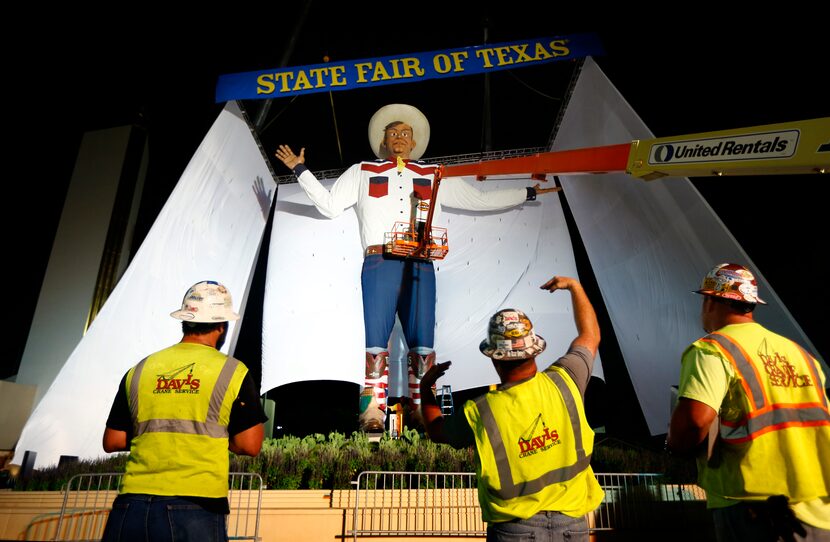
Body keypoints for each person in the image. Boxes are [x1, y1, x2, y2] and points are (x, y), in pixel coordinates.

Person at [275, 103, 560, 432]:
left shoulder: (434, 173)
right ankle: (372, 411)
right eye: (393, 133)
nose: (399, 137)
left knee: (423, 341)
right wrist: (301, 170)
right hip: (380, 260)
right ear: (383, 141)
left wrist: (526, 192)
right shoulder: (362, 170)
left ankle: (424, 409)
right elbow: (328, 205)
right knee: (375, 339)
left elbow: (479, 200)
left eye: (405, 133)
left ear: (414, 143)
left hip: (421, 263)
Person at [419, 276, 604, 541]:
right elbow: (591, 335)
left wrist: (426, 390)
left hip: (514, 530)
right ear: (535, 351)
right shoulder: (567, 380)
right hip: (573, 527)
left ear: (495, 358)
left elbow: (437, 431)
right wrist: (576, 286)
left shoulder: (480, 411)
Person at [667, 263, 829, 541]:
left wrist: (676, 446)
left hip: (752, 505)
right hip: (818, 506)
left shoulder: (712, 349)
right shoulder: (802, 355)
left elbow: (695, 421)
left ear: (709, 301)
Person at [100, 281, 267, 542]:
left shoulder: (141, 369)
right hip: (194, 510)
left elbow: (112, 441)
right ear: (222, 326)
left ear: (185, 321)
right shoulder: (232, 372)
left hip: (130, 507)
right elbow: (250, 444)